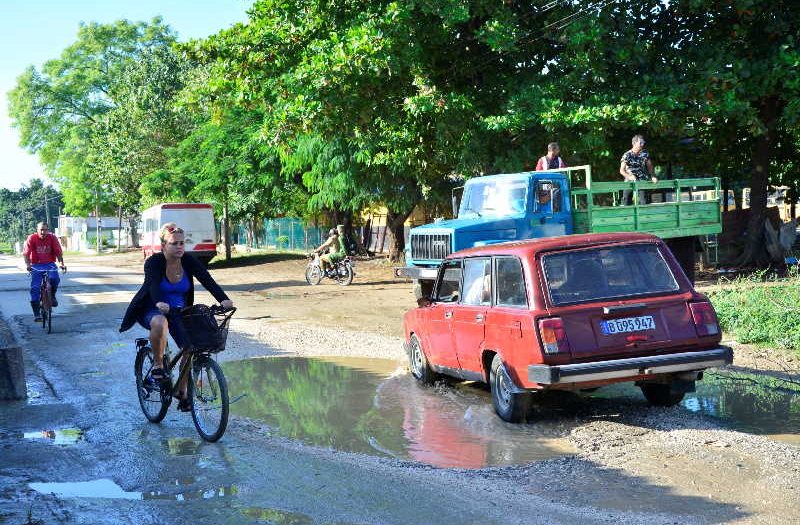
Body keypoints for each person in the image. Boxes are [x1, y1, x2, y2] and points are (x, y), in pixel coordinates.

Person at [119, 223, 233, 411]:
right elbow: (154, 285)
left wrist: (223, 299)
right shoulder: (154, 262)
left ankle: (181, 391)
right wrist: (158, 303)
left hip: (180, 311)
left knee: (191, 346)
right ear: (164, 245)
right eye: (174, 243)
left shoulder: (188, 261)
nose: (179, 247)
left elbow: (207, 279)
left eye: (182, 243)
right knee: (160, 322)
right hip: (152, 308)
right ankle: (157, 365)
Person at [23, 222, 66, 322]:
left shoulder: (52, 238)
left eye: (45, 230)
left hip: (50, 264)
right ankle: (37, 314)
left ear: (48, 230)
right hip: (36, 265)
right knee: (35, 288)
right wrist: (28, 265)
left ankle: (52, 295)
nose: (43, 232)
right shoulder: (32, 238)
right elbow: (26, 254)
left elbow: (58, 252)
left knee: (54, 279)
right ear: (37, 230)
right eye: (41, 230)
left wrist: (62, 264)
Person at [620, 134, 658, 205]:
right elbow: (621, 170)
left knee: (644, 202)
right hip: (629, 181)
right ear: (634, 143)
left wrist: (653, 176)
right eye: (640, 143)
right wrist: (629, 177)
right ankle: (626, 215)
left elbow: (650, 166)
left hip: (642, 180)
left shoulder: (645, 153)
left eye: (643, 142)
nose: (642, 144)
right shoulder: (627, 155)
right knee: (625, 202)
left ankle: (644, 216)